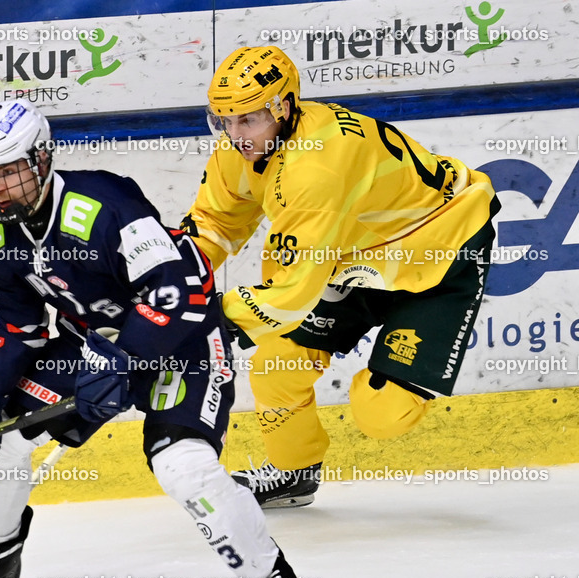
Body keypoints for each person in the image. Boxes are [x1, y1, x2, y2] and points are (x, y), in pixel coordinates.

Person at [0, 98, 330, 578]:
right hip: (94, 349)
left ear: (41, 160)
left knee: (184, 466)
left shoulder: (103, 202)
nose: (0, 187)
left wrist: (123, 362)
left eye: (11, 169)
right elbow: (14, 331)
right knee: (1, 435)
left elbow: (178, 290)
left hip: (181, 345)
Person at [181, 46, 499, 508]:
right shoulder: (248, 146)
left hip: (439, 251)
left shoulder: (317, 168)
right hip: (358, 258)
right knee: (276, 364)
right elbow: (216, 224)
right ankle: (293, 473)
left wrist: (203, 318)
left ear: (283, 107)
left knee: (381, 413)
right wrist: (169, 280)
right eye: (223, 121)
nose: (235, 135)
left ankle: (401, 373)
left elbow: (288, 297)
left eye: (246, 120)